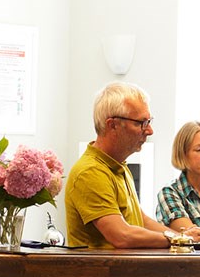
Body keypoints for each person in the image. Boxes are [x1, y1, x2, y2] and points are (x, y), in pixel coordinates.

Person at [65, 82, 178, 249]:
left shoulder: (119, 165)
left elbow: (142, 221)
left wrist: (184, 237)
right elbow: (122, 235)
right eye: (141, 123)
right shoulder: (90, 172)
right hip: (105, 267)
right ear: (113, 125)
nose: (149, 130)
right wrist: (179, 240)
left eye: (149, 121)